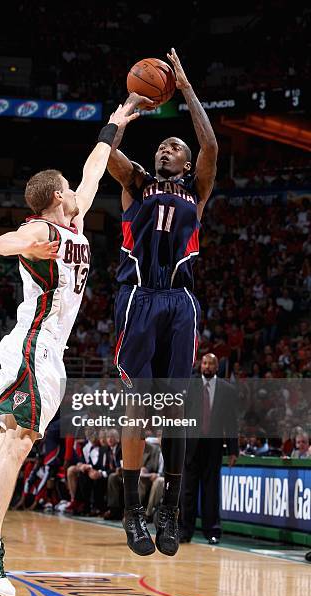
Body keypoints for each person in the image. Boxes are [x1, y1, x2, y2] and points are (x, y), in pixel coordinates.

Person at [0, 102, 138, 596]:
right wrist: (20, 247)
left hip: (48, 351)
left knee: (5, 449)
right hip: (35, 347)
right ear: (56, 196)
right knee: (20, 445)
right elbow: (3, 241)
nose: (78, 187)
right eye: (69, 185)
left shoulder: (76, 219)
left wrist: (118, 123)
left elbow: (93, 166)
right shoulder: (42, 230)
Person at [107, 48, 218, 556]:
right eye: (164, 146)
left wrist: (188, 90)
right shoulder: (136, 182)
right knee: (135, 408)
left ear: (188, 160)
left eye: (176, 145)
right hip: (139, 297)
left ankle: (169, 510)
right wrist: (125, 111)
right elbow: (104, 153)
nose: (168, 149)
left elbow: (211, 143)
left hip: (180, 301)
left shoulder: (198, 188)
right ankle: (132, 514)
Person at [180, 353, 239, 544]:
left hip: (213, 446)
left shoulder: (227, 390)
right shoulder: (189, 385)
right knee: (187, 490)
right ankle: (184, 531)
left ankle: (212, 531)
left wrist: (233, 450)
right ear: (200, 365)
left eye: (211, 363)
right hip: (190, 445)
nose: (207, 366)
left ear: (217, 366)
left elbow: (231, 422)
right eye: (204, 363)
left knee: (211, 491)